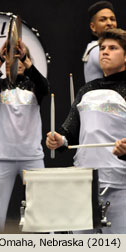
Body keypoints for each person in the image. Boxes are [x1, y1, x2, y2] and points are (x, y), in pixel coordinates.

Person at [47, 28, 126, 234]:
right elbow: (70, 131)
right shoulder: (86, 89)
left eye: (112, 48)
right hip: (83, 182)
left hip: (120, 182)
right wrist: (59, 140)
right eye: (102, 48)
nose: (105, 52)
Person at [0, 40, 49, 233]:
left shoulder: (35, 87)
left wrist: (27, 61)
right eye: (12, 58)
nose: (17, 61)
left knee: (42, 213)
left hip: (32, 158)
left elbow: (45, 86)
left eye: (21, 57)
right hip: (3, 158)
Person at [83, 1, 117, 83]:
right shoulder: (96, 49)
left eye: (112, 19)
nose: (109, 23)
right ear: (93, 26)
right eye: (103, 20)